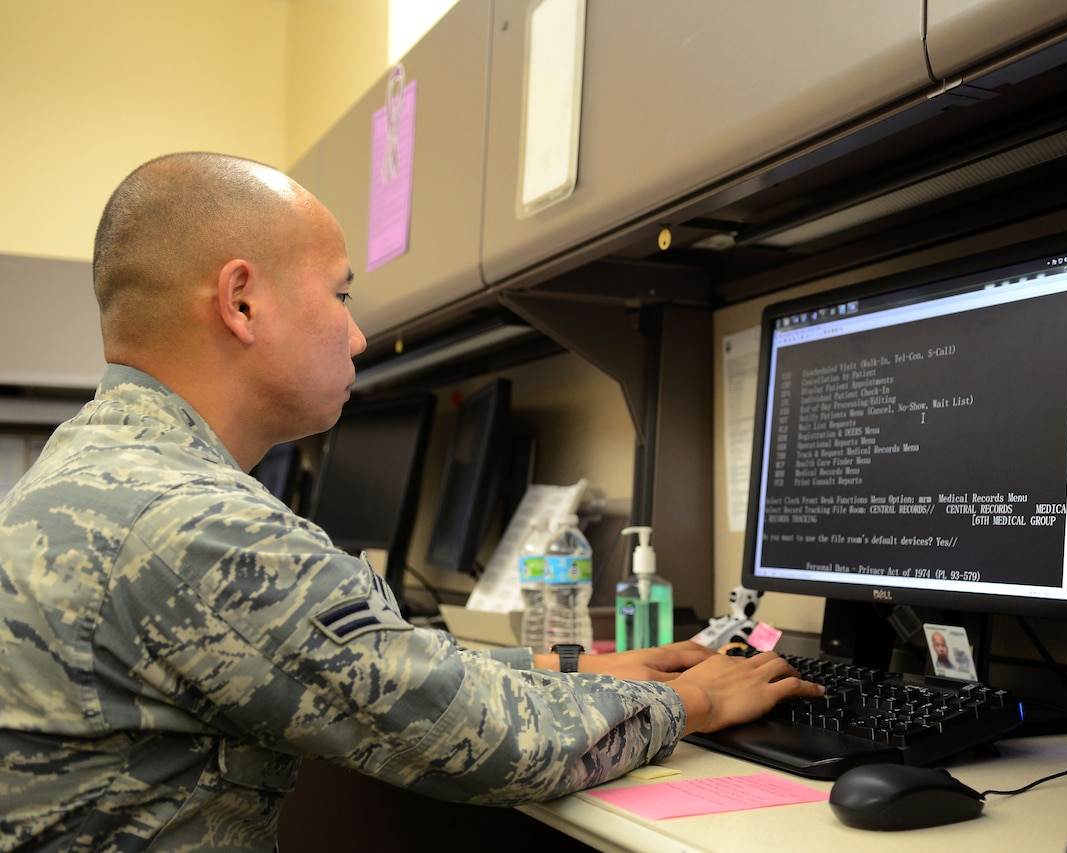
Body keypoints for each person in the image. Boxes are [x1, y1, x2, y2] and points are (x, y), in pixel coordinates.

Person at [0, 152, 823, 852]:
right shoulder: (199, 527)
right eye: (341, 295)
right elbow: (481, 736)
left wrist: (573, 662)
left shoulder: (101, 468)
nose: (357, 336)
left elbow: (379, 669)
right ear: (242, 301)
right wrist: (697, 699)